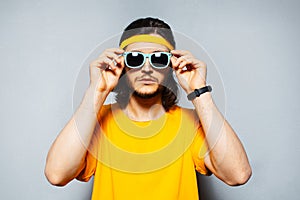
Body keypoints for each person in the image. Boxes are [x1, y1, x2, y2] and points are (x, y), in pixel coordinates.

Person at [45, 17, 252, 200]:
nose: (146, 68)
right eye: (134, 58)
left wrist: (199, 91)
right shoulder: (97, 121)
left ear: (171, 65)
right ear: (121, 64)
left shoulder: (191, 123)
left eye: (158, 59)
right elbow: (56, 175)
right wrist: (96, 91)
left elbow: (238, 175)